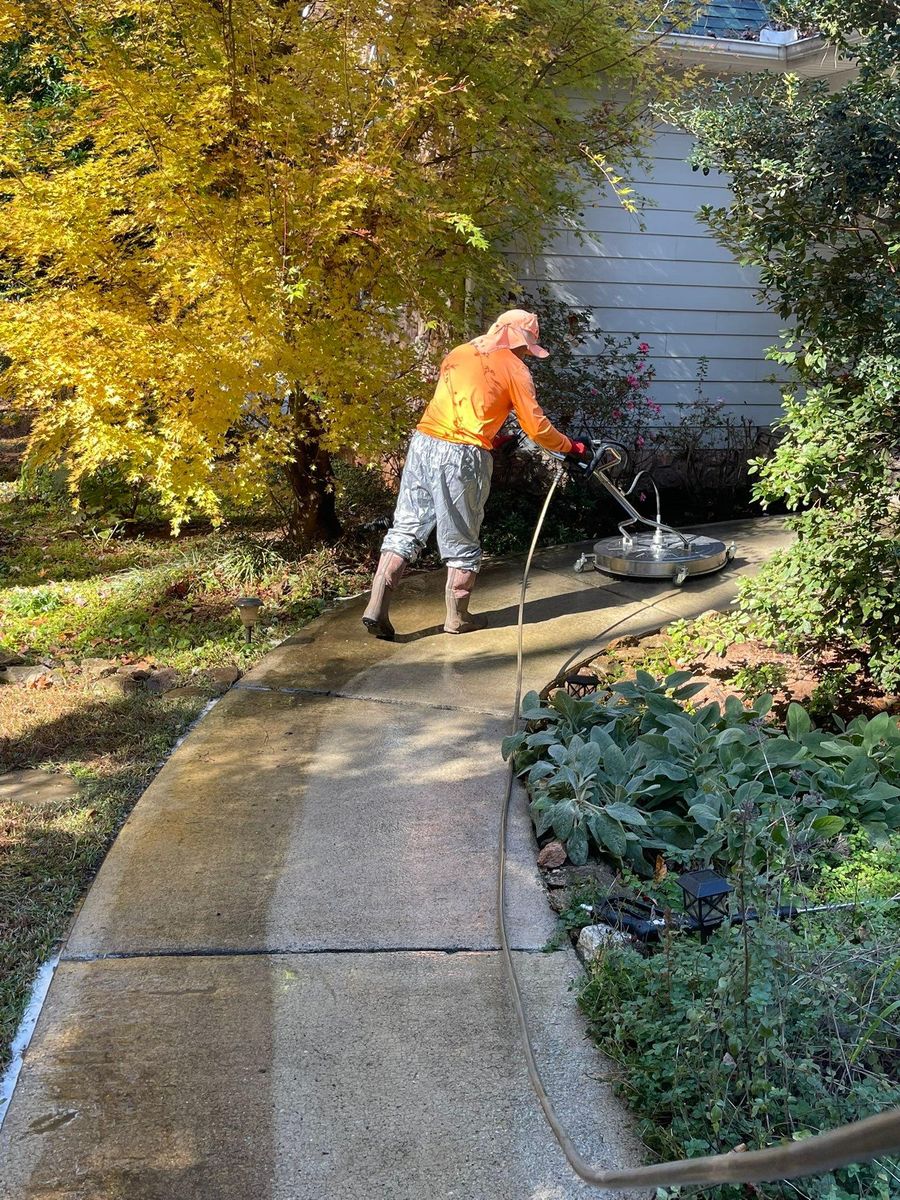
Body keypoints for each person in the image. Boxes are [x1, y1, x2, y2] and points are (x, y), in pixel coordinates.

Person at [362, 308, 587, 640]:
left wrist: (493, 434)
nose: (527, 353)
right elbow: (538, 429)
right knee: (462, 537)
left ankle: (376, 605)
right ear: (519, 341)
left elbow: (464, 403)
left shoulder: (461, 352)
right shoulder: (516, 370)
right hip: (463, 456)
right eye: (527, 346)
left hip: (424, 443)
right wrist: (572, 447)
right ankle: (458, 617)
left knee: (407, 526)